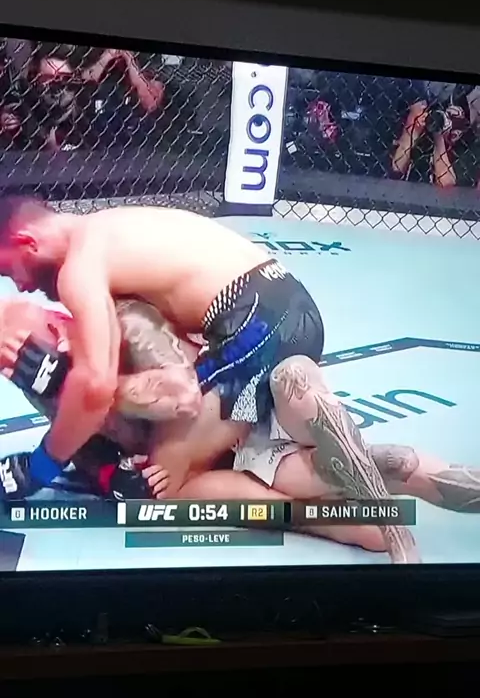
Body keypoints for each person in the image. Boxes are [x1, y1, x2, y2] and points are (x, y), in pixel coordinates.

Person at [0, 198, 393, 520]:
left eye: (7, 270)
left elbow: (98, 388)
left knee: (164, 487)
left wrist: (41, 465)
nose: (19, 284)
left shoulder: (80, 268)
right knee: (217, 447)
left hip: (255, 328)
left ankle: (333, 521)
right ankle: (362, 473)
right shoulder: (107, 229)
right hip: (283, 311)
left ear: (26, 241)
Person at [2, 297, 479, 559]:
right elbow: (84, 449)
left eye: (18, 353)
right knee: (362, 529)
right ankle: (349, 489)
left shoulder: (127, 324)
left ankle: (353, 474)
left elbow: (184, 396)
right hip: (217, 466)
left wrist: (85, 388)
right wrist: (113, 476)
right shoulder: (41, 383)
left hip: (247, 414)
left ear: (57, 330)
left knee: (190, 483)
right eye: (8, 365)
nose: (16, 368)